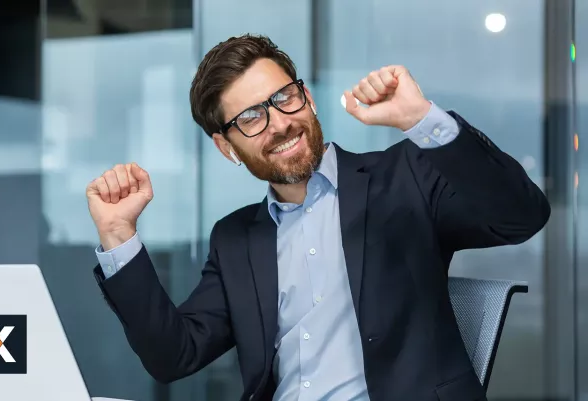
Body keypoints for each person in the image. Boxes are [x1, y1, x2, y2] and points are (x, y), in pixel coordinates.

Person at [86, 34, 550, 401]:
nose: (280, 122)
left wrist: (422, 120)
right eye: (251, 117)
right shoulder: (235, 239)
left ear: (305, 96)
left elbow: (521, 217)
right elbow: (175, 355)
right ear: (226, 147)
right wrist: (117, 234)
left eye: (284, 97)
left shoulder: (404, 176)